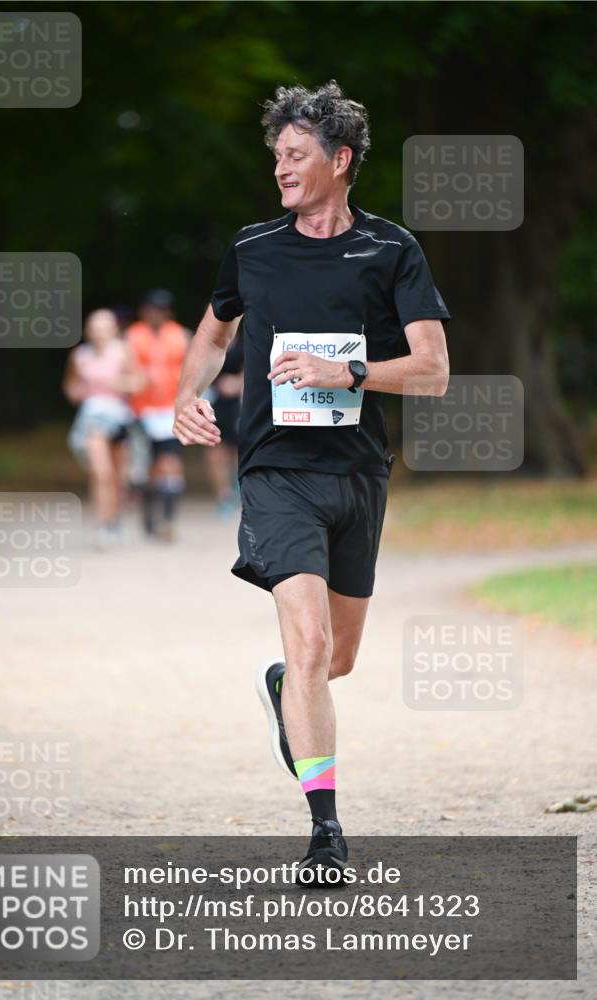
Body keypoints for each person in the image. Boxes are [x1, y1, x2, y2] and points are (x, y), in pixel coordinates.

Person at [173, 81, 450, 882]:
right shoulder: (253, 248)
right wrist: (187, 393)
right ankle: (325, 831)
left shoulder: (391, 250)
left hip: (357, 472)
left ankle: (284, 688)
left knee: (336, 659)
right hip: (274, 470)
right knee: (309, 642)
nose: (281, 171)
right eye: (276, 158)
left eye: (296, 157)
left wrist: (345, 370)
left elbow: (431, 371)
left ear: (340, 160)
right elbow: (214, 329)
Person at [63, 308, 141, 549]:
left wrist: (118, 383)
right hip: (92, 418)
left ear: (113, 330)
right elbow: (71, 385)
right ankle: (102, 523)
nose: (99, 333)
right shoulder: (80, 355)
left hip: (118, 417)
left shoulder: (123, 351)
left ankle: (113, 519)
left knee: (118, 476)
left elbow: (140, 381)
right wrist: (77, 392)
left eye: (104, 328)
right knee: (101, 472)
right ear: (89, 331)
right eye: (95, 329)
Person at [127, 289, 190, 541]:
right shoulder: (132, 337)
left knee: (171, 464)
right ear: (144, 311)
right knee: (148, 469)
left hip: (170, 410)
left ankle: (168, 520)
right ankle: (149, 517)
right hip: (141, 411)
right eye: (153, 308)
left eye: (162, 309)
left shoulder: (181, 336)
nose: (157, 314)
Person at [203, 326, 244, 517]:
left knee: (238, 453)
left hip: (239, 404)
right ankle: (224, 496)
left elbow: (255, 368)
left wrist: (238, 382)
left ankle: (240, 489)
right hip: (214, 403)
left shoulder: (244, 343)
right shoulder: (205, 344)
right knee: (214, 453)